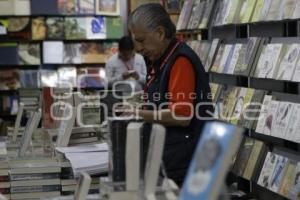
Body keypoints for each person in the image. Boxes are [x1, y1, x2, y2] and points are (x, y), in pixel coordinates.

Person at [126, 3, 213, 187]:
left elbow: (181, 115)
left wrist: (137, 113)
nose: (138, 49)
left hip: (183, 165)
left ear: (159, 33)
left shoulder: (180, 60)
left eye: (141, 40)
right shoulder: (162, 59)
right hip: (170, 160)